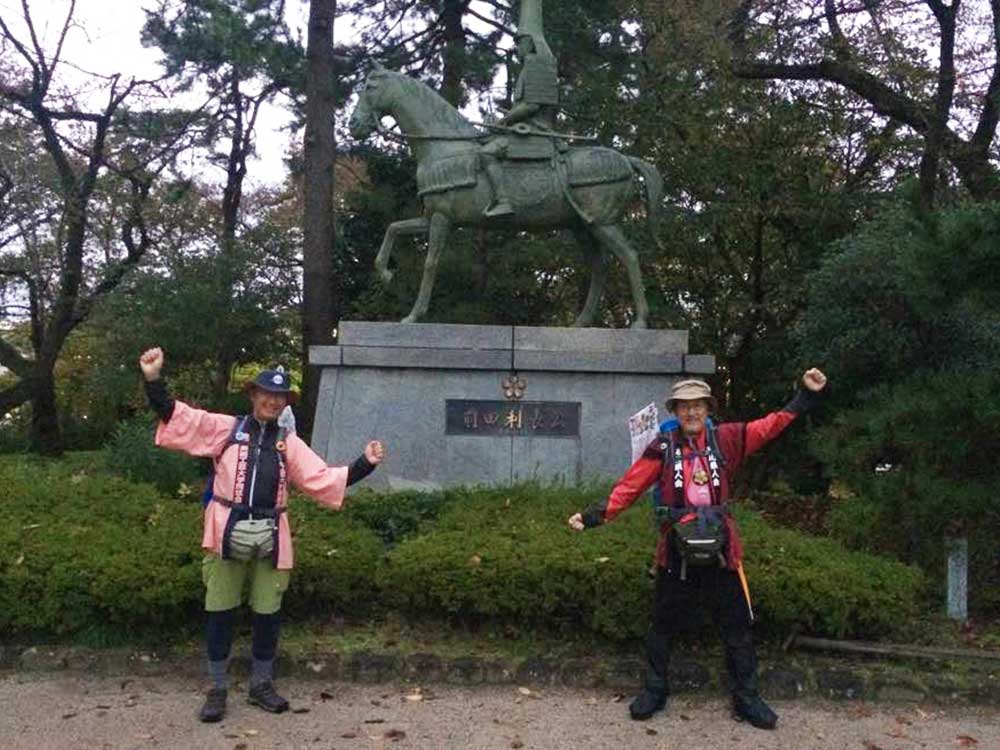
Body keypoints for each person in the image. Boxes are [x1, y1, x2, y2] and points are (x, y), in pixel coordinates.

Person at [568, 369, 828, 730]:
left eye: (698, 405)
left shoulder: (727, 438)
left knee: (737, 625)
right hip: (676, 550)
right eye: (684, 406)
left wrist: (805, 396)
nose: (691, 412)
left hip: (722, 551)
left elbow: (770, 426)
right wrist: (594, 516)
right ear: (675, 411)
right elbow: (631, 485)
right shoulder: (663, 447)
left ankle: (747, 698)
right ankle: (655, 690)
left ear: (708, 408)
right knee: (663, 622)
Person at [138, 346, 385, 722]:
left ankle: (261, 685)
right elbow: (177, 416)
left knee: (268, 613)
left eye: (279, 396)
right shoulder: (226, 429)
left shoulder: (289, 443)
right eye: (266, 393)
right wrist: (153, 378)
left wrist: (365, 463)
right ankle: (217, 688)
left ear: (285, 402)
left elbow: (322, 479)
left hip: (272, 535)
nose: (272, 401)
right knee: (220, 611)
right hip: (225, 531)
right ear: (253, 395)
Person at [480, 0, 559, 217]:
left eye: (520, 42)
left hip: (536, 131)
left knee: (487, 153)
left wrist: (504, 121)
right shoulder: (527, 67)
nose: (517, 48)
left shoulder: (538, 64)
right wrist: (503, 119)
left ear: (531, 43)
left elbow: (532, 105)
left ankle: (503, 201)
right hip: (522, 128)